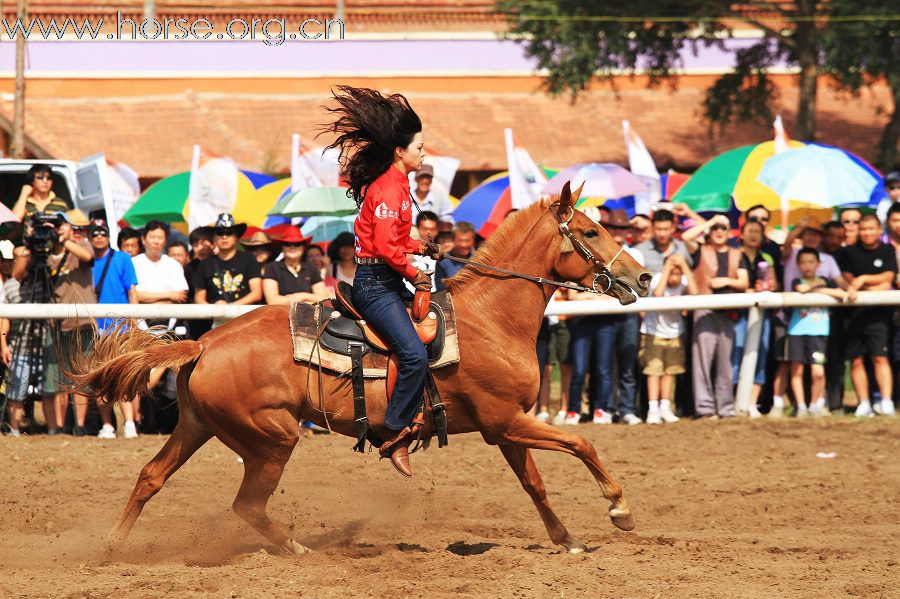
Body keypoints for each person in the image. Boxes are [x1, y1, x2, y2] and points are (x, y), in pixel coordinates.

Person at [321, 85, 443, 478]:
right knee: (413, 355)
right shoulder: (390, 187)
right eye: (419, 146)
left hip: (383, 279)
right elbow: (388, 251)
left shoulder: (396, 185)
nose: (424, 152)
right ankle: (392, 433)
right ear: (400, 151)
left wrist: (422, 247)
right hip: (377, 285)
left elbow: (386, 240)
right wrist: (416, 273)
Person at [8, 212, 95, 435]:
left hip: (81, 321)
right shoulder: (42, 254)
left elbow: (87, 257)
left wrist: (63, 239)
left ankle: (80, 427)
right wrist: (29, 244)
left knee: (81, 377)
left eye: (58, 225)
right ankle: (56, 428)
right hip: (54, 324)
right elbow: (18, 275)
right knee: (54, 379)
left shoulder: (80, 244)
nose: (54, 230)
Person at [683, 213, 749, 418]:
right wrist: (710, 221)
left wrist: (725, 282)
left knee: (725, 363)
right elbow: (686, 237)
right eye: (716, 228)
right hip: (704, 311)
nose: (719, 231)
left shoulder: (738, 254)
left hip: (728, 312)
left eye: (723, 228)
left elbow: (744, 282)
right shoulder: (700, 250)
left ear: (729, 233)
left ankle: (725, 408)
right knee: (702, 361)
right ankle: (704, 409)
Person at [838, 213, 897, 417]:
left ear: (879, 230)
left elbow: (888, 278)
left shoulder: (887, 250)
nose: (867, 233)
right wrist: (873, 285)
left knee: (880, 357)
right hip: (853, 315)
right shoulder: (847, 252)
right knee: (856, 359)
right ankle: (863, 402)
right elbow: (846, 278)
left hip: (878, 315)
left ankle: (886, 401)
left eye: (871, 229)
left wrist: (862, 280)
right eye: (863, 229)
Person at [87, 218, 140, 439]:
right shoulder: (85, 261)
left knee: (124, 377)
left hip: (120, 328)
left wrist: (134, 322)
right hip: (94, 328)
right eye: (95, 233)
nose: (99, 236)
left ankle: (129, 423)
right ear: (90, 237)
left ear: (109, 236)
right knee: (99, 380)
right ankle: (108, 424)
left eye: (103, 233)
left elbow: (132, 292)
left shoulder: (122, 259)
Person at [788, 248, 848, 418]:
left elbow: (838, 292)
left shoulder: (825, 281)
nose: (807, 266)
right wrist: (819, 287)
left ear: (818, 264)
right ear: (798, 265)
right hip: (797, 331)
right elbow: (800, 288)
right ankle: (800, 406)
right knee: (797, 370)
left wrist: (815, 288)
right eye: (803, 262)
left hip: (819, 333)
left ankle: (815, 404)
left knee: (818, 371)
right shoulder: (796, 281)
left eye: (811, 262)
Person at [640, 253, 697, 424]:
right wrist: (667, 269)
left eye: (677, 273)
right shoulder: (658, 278)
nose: (675, 277)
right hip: (653, 333)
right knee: (653, 372)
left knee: (669, 372)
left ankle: (665, 407)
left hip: (675, 333)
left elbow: (695, 293)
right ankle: (653, 409)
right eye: (672, 273)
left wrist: (684, 267)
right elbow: (657, 294)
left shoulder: (684, 281)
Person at [601, 209, 645, 425]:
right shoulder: (600, 254)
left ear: (627, 230)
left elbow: (639, 287)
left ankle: (627, 408)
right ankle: (607, 408)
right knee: (605, 366)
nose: (618, 232)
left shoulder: (636, 255)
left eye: (621, 228)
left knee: (627, 365)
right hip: (606, 314)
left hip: (628, 314)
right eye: (614, 227)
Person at [732, 220, 777, 417]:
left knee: (761, 353)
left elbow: (774, 283)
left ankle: (752, 402)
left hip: (762, 313)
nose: (753, 235)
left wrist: (767, 286)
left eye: (757, 232)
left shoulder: (766, 257)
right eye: (750, 231)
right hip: (737, 313)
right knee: (735, 354)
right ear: (741, 235)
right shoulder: (735, 255)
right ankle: (734, 400)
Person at [193, 214, 262, 312]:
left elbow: (256, 293)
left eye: (229, 233)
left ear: (236, 237)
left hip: (244, 318)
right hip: (215, 320)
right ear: (214, 238)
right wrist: (215, 311)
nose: (224, 237)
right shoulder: (205, 264)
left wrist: (229, 308)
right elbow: (199, 298)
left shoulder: (249, 259)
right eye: (220, 233)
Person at [263, 229, 330, 305]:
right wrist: (308, 300)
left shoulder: (311, 268)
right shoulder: (272, 267)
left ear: (303, 247)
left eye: (297, 244)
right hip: (280, 314)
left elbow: (323, 298)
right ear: (282, 247)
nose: (292, 247)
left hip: (307, 314)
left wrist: (302, 296)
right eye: (287, 244)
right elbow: (272, 301)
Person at [405, 211, 440, 294]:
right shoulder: (407, 254)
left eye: (432, 229)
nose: (428, 233)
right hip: (409, 296)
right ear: (417, 228)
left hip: (436, 296)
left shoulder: (442, 254)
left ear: (437, 230)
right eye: (425, 229)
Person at [435, 221, 475, 291]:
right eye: (460, 240)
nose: (464, 245)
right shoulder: (443, 261)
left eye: (467, 240)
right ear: (453, 240)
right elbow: (441, 289)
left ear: (473, 241)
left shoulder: (480, 260)